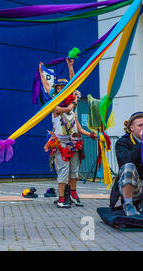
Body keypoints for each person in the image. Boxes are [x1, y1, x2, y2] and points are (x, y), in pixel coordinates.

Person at [44, 79, 96, 208]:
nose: (61, 89)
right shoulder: (55, 108)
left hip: (73, 144)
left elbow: (79, 129)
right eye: (59, 88)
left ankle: (73, 195)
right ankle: (61, 199)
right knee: (63, 172)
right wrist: (73, 102)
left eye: (64, 87)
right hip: (60, 144)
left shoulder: (73, 113)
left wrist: (91, 134)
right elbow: (67, 107)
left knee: (74, 172)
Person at [111, 112, 143, 216]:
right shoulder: (122, 142)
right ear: (131, 128)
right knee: (128, 167)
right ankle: (128, 204)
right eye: (140, 125)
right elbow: (126, 161)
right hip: (131, 186)